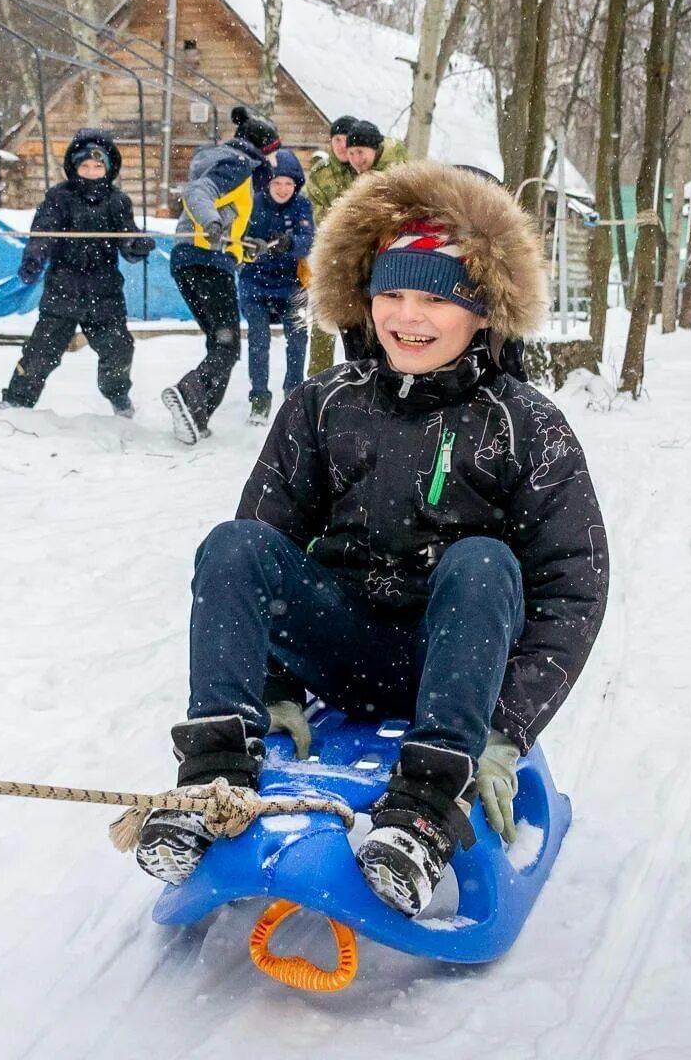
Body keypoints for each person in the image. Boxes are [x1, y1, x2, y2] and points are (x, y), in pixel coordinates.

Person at [134, 161, 609, 918]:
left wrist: (507, 725)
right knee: (233, 545)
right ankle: (213, 778)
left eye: (437, 297)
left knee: (483, 560)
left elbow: (571, 584)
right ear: (362, 300)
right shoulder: (322, 406)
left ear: (483, 313)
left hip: (459, 661)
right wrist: (275, 685)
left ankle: (424, 809)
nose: (408, 315)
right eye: (391, 293)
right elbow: (266, 543)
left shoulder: (527, 424)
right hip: (345, 644)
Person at [0, 128, 153, 415]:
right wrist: (34, 258)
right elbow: (43, 233)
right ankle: (16, 401)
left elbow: (127, 236)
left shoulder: (118, 201)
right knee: (41, 352)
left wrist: (137, 245)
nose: (91, 171)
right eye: (85, 165)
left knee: (119, 350)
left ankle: (118, 397)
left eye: (98, 166)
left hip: (105, 293)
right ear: (74, 167)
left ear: (108, 168)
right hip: (63, 290)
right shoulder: (59, 197)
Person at [160, 106, 277, 444]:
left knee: (221, 343)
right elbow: (198, 194)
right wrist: (211, 222)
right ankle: (189, 393)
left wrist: (245, 246)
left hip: (194, 259)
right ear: (262, 150)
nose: (272, 163)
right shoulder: (238, 164)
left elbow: (229, 216)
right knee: (226, 345)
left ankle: (196, 417)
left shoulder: (228, 161)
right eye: (272, 154)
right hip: (206, 259)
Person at [305, 118, 406, 370]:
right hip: (343, 256)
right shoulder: (324, 174)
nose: (350, 154)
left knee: (379, 319)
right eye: (339, 143)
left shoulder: (388, 168)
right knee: (330, 317)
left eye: (355, 149)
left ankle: (381, 369)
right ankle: (325, 375)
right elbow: (321, 217)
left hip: (381, 258)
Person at [238, 148, 315, 425]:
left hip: (292, 285)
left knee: (298, 337)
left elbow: (307, 241)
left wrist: (288, 243)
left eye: (288, 184)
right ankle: (259, 398)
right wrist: (251, 248)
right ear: (267, 184)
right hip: (255, 284)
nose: (282, 189)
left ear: (296, 186)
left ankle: (293, 393)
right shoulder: (253, 204)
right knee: (258, 339)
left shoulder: (302, 207)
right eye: (277, 183)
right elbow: (239, 241)